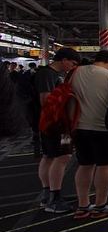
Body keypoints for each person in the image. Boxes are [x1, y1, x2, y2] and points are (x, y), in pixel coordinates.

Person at [70, 50, 108, 220]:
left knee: (85, 165)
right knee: (104, 166)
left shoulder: (76, 72)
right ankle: (101, 206)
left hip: (79, 127)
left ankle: (83, 205)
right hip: (103, 128)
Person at [36, 48, 81, 213]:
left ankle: (47, 195)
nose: (72, 67)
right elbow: (46, 101)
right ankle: (54, 199)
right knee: (63, 156)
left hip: (50, 124)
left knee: (49, 156)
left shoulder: (51, 74)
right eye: (72, 63)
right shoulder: (47, 74)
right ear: (64, 59)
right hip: (58, 126)